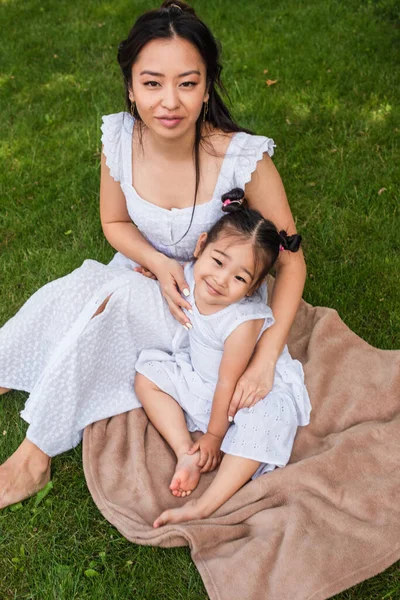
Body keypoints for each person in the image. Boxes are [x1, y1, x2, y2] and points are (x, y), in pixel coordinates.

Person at [0, 0, 306, 510]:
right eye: (152, 83)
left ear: (207, 86)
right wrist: (162, 263)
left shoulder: (243, 159)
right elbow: (115, 223)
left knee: (110, 303)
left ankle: (35, 453)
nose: (169, 101)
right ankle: (6, 368)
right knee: (73, 289)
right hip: (149, 272)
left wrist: (266, 358)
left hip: (207, 309)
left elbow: (292, 260)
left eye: (187, 83)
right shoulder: (119, 140)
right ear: (130, 86)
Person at [135, 191, 311, 526]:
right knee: (147, 375)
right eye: (218, 262)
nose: (220, 280)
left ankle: (205, 505)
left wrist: (215, 437)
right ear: (200, 247)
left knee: (267, 421)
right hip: (204, 381)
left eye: (240, 278)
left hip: (243, 393)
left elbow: (229, 382)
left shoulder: (240, 324)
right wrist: (152, 272)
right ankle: (186, 451)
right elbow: (178, 277)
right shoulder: (191, 274)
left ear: (252, 289)